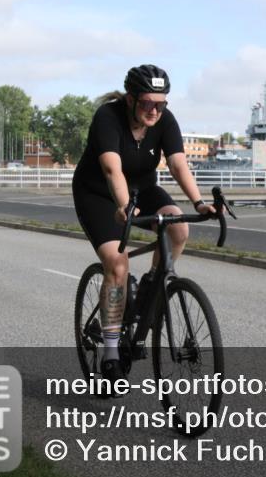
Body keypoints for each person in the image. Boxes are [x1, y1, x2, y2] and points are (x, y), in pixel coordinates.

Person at [72, 64, 214, 385]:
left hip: (143, 189)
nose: (154, 110)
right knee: (117, 264)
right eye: (147, 103)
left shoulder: (165, 119)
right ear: (130, 98)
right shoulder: (108, 117)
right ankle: (110, 353)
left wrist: (199, 203)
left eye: (160, 104)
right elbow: (111, 169)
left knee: (179, 228)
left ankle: (153, 284)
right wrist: (123, 206)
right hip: (100, 194)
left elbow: (178, 163)